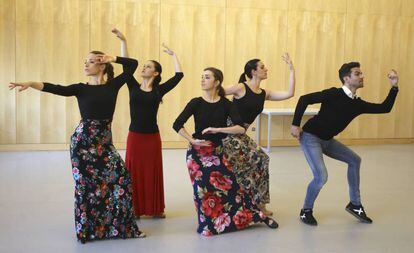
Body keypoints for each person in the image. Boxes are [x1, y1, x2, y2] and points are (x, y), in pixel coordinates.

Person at [9, 52, 145, 242]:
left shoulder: (113, 85)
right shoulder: (80, 88)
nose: (86, 65)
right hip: (82, 143)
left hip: (105, 143)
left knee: (121, 179)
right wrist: (31, 83)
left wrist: (113, 58)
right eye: (85, 62)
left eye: (90, 62)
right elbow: (56, 88)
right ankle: (88, 231)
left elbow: (133, 64)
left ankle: (119, 228)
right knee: (85, 187)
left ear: (102, 66)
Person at [290, 62, 399, 226]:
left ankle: (355, 204)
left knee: (355, 160)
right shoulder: (333, 93)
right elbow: (305, 99)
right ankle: (306, 211)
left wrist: (394, 87)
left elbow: (385, 108)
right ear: (346, 78)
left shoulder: (357, 104)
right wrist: (295, 124)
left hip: (327, 140)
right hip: (311, 137)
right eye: (357, 73)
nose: (362, 76)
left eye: (361, 73)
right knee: (321, 177)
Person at [173, 67, 278, 236]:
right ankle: (208, 225)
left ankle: (254, 216)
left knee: (233, 189)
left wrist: (218, 129)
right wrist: (191, 140)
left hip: (217, 151)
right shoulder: (196, 102)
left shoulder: (226, 104)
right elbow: (177, 124)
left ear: (216, 82)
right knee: (202, 190)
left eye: (206, 77)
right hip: (197, 153)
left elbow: (240, 128)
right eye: (202, 77)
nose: (202, 80)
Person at [112, 28, 184, 218]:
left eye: (148, 66)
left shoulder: (159, 90)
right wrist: (123, 41)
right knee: (133, 172)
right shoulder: (133, 86)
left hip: (152, 137)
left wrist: (174, 55)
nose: (143, 68)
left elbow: (179, 76)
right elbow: (127, 67)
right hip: (134, 136)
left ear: (156, 72)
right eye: (143, 66)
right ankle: (135, 208)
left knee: (152, 172)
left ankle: (154, 208)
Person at [223, 54, 295, 215]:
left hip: (241, 135)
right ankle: (245, 204)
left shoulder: (264, 93)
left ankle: (259, 204)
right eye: (262, 67)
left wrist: (291, 70)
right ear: (253, 71)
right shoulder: (240, 87)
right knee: (256, 160)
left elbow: (289, 93)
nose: (266, 69)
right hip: (228, 133)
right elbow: (215, 92)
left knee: (262, 160)